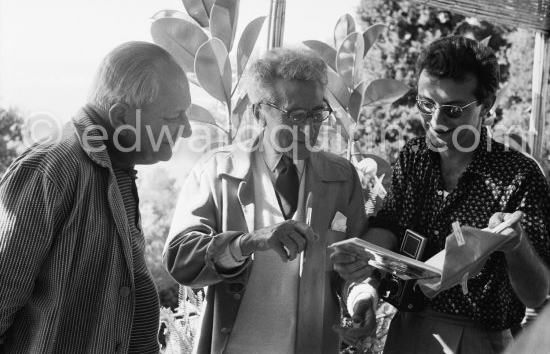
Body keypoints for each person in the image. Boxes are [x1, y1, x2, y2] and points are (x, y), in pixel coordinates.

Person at [332, 35, 550, 354]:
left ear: (485, 106)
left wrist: (516, 244)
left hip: (476, 339)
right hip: (406, 328)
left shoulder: (519, 176)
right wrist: (362, 263)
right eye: (426, 104)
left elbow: (536, 294)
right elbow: (390, 228)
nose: (435, 121)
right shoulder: (414, 156)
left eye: (452, 110)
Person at [163, 48, 374, 354]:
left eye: (317, 113)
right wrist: (247, 243)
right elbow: (180, 260)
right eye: (295, 115)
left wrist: (362, 299)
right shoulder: (215, 170)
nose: (308, 127)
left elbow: (355, 268)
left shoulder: (342, 177)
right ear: (258, 111)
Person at [0, 41, 192, 353]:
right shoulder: (52, 170)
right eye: (174, 117)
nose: (186, 131)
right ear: (120, 117)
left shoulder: (117, 168)